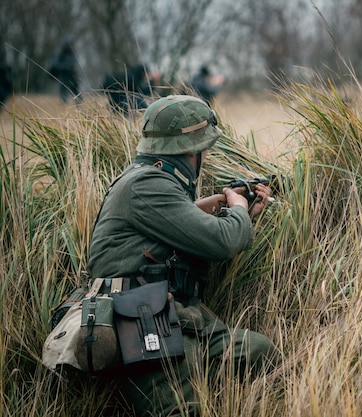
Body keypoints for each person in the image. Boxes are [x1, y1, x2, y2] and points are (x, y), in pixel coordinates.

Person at [87, 95, 279, 416]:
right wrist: (239, 209)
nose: (202, 155)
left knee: (259, 352)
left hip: (177, 318)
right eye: (201, 148)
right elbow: (224, 243)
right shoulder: (148, 186)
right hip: (140, 321)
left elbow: (187, 227)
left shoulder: (152, 180)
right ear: (188, 150)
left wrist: (237, 211)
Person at [48, 38, 81, 103]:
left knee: (76, 92)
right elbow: (55, 64)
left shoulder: (72, 54)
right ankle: (64, 104)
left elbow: (74, 63)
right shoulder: (59, 54)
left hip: (72, 76)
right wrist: (65, 67)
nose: (71, 46)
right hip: (64, 76)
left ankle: (79, 104)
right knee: (63, 92)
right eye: (70, 45)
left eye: (72, 45)